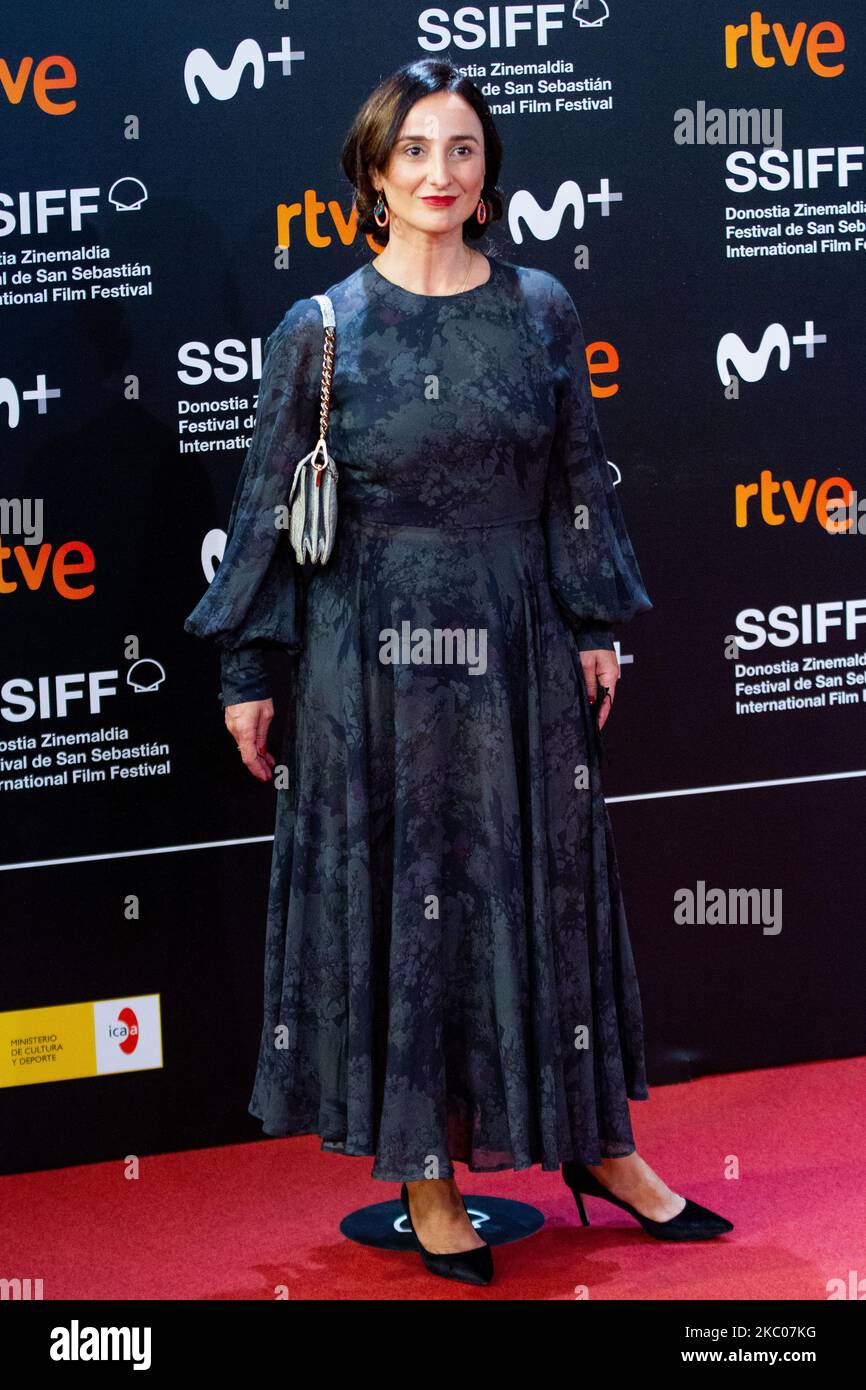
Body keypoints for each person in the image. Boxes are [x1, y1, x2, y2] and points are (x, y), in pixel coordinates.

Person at [184, 57, 732, 1288]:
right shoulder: (318, 330)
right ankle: (427, 1177)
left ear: (487, 176)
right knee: (404, 909)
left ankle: (598, 1145)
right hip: (363, 669)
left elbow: (574, 482)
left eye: (464, 150)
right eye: (417, 151)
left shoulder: (540, 308)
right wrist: (247, 675)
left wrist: (594, 622)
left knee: (544, 895)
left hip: (518, 652)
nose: (442, 173)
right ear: (374, 175)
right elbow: (267, 517)